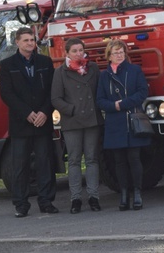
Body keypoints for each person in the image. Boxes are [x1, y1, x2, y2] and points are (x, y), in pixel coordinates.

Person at [0, 27, 58, 217]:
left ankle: (46, 201)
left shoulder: (45, 62)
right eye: (26, 40)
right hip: (20, 123)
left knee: (45, 163)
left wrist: (44, 112)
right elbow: (6, 93)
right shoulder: (8, 65)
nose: (30, 43)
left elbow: (52, 91)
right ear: (17, 42)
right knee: (20, 166)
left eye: (32, 40)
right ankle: (21, 204)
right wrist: (27, 113)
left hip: (43, 122)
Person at [96, 39, 150, 211]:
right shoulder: (104, 76)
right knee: (119, 161)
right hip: (114, 122)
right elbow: (100, 100)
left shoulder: (134, 70)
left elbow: (142, 92)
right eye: (115, 53)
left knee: (134, 158)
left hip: (132, 119)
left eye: (121, 52)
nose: (119, 55)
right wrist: (114, 106)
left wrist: (123, 104)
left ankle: (138, 193)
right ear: (109, 56)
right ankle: (124, 193)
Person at [51, 37, 103, 214]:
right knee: (73, 161)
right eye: (74, 51)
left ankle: (94, 197)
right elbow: (55, 98)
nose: (78, 53)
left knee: (92, 159)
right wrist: (71, 110)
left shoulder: (93, 68)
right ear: (67, 53)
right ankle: (75, 199)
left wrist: (96, 107)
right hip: (72, 121)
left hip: (92, 119)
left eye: (81, 50)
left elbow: (100, 90)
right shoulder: (60, 72)